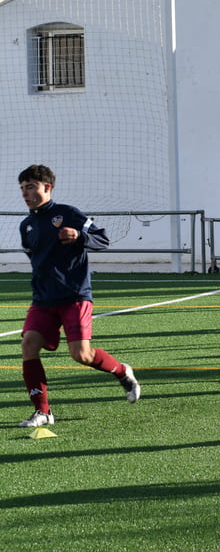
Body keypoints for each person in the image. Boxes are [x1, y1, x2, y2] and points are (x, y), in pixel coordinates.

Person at [17, 165, 141, 427]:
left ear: (47, 188)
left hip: (74, 296)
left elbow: (102, 240)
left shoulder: (68, 214)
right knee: (28, 345)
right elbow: (34, 257)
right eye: (22, 189)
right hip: (42, 299)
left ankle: (122, 371)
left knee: (81, 355)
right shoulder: (26, 225)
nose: (25, 193)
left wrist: (79, 236)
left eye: (30, 187)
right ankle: (43, 412)